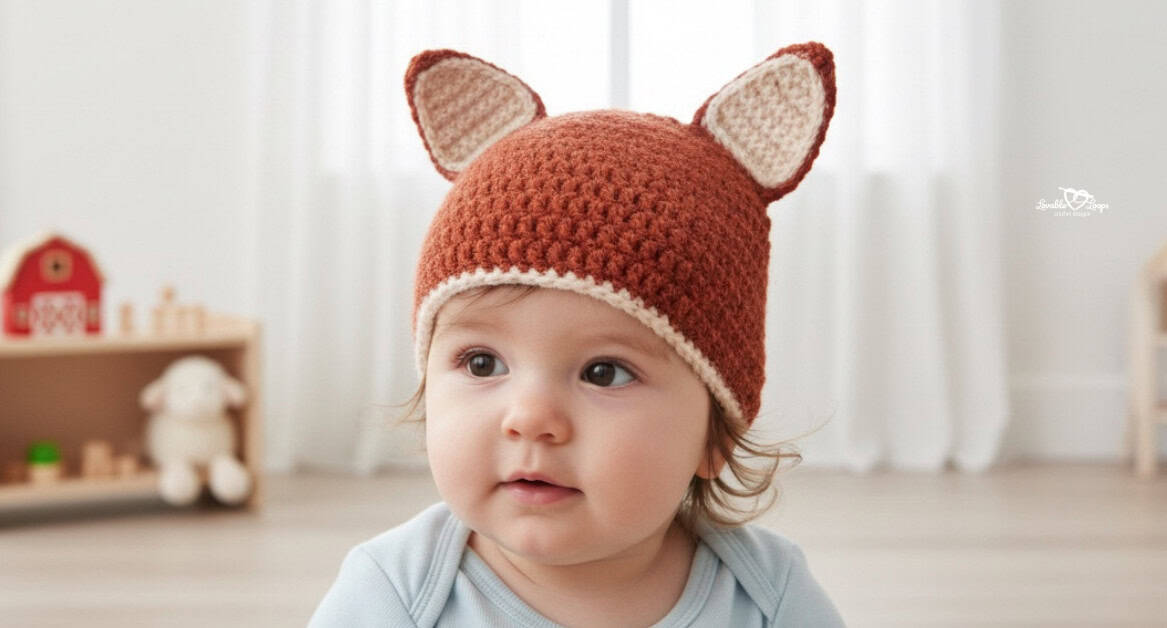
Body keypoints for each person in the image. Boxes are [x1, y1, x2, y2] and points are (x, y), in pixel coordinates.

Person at [310, 42, 843, 627]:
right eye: (482, 363)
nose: (531, 417)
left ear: (714, 436)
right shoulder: (393, 595)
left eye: (603, 372)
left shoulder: (766, 596)